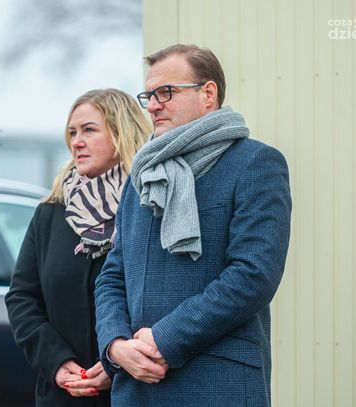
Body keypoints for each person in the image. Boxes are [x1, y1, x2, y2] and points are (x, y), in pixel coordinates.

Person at [94, 44, 292, 406]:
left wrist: (165, 339)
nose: (153, 105)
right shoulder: (142, 176)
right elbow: (113, 275)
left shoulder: (256, 163)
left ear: (208, 93)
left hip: (216, 385)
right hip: (137, 387)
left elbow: (253, 275)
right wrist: (116, 345)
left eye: (166, 92)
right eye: (149, 96)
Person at [5, 88, 151, 406]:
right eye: (72, 132)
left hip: (134, 389)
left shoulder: (150, 206)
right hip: (63, 393)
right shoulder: (51, 213)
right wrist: (56, 362)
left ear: (122, 133)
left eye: (89, 130)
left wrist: (117, 360)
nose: (77, 142)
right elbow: (22, 298)